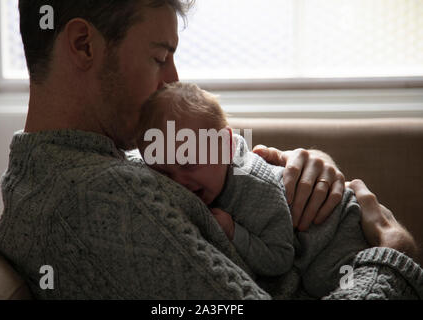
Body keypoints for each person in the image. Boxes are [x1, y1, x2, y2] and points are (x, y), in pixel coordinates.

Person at [0, 0, 421, 299]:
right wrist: (394, 255)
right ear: (84, 44)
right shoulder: (97, 200)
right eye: (160, 57)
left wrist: (296, 165)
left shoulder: (81, 164)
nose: (172, 79)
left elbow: (218, 159)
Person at [135, 81, 420, 298]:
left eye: (190, 162)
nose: (178, 183)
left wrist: (234, 232)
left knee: (322, 280)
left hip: (337, 238)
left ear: (223, 145)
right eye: (162, 172)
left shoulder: (254, 186)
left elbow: (279, 258)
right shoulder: (185, 174)